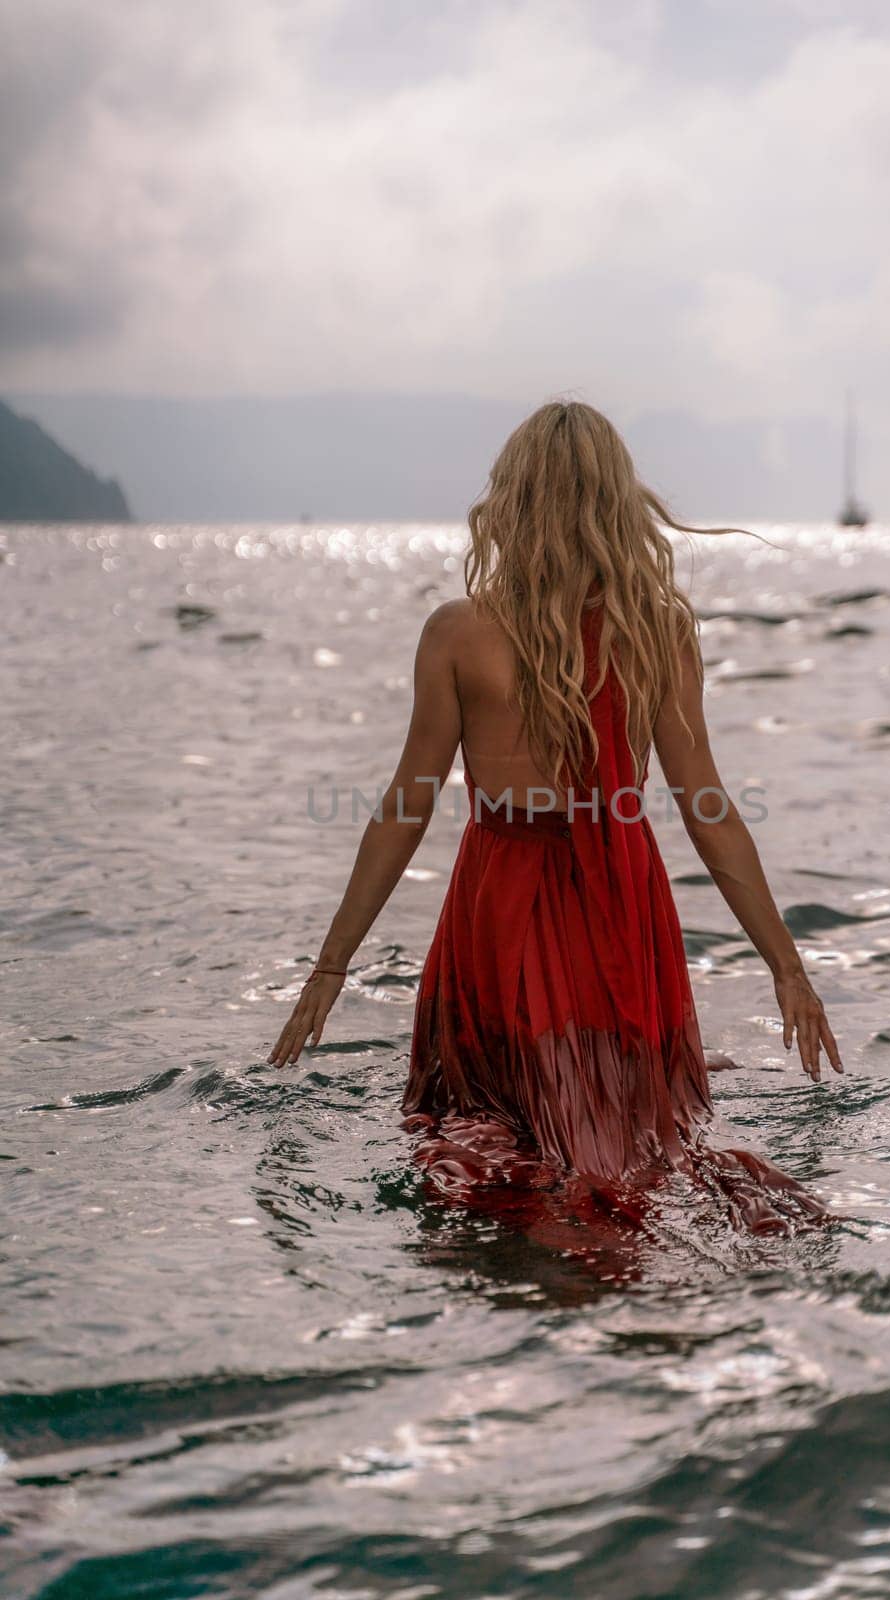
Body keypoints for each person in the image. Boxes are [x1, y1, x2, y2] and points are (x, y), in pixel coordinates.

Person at [269, 401, 843, 1234]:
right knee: (632, 1131)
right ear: (617, 502)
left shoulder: (460, 634)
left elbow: (406, 806)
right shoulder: (658, 632)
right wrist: (785, 965)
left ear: (509, 499)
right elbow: (708, 809)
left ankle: (546, 1258)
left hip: (499, 903)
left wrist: (331, 967)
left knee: (495, 1134)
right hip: (623, 908)